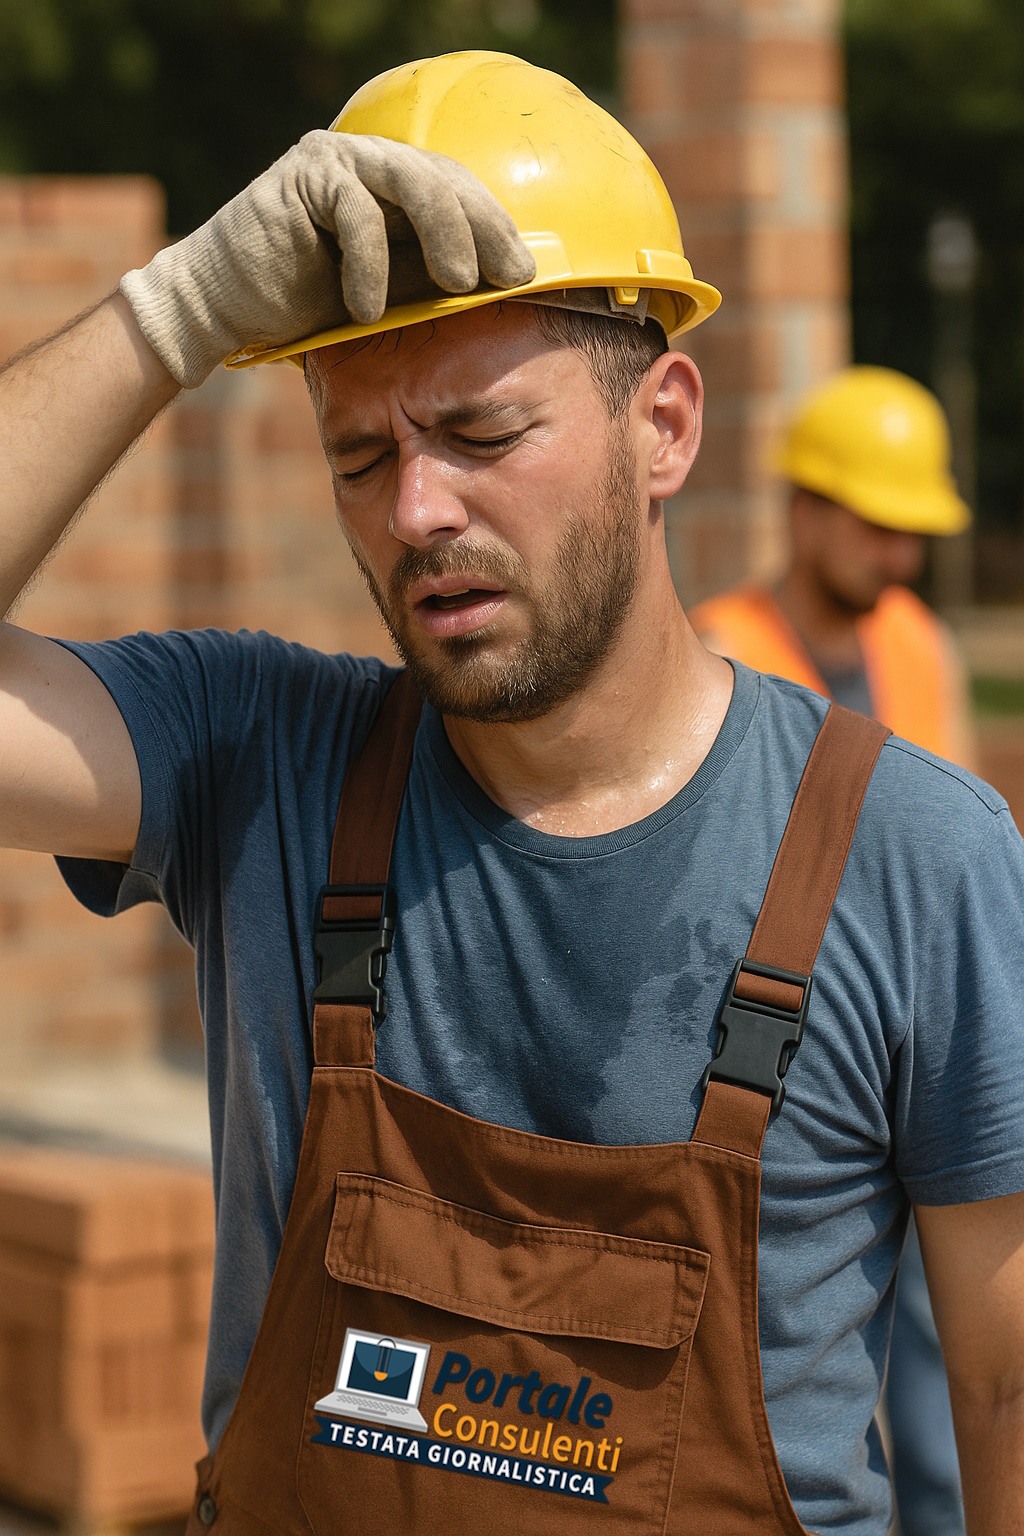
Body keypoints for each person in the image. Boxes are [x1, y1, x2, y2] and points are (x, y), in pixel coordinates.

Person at [1, 50, 1023, 1536]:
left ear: (664, 427)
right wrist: (175, 313)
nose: (417, 510)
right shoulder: (256, 761)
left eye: (482, 435)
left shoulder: (914, 857)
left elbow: (1001, 1390)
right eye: (361, 454)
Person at [690, 368, 977, 1536]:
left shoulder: (918, 644)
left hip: (922, 1053)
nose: (899, 554)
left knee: (947, 1371)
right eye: (875, 524)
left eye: (911, 529)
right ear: (803, 510)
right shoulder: (721, 653)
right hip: (787, 1074)